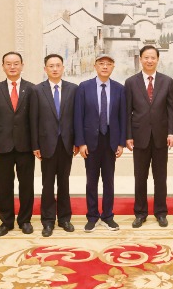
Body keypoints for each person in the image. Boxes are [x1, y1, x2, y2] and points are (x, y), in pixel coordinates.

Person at [125, 45, 173, 228]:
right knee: (140, 177)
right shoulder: (131, 82)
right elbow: (127, 111)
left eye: (152, 57)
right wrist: (128, 136)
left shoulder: (167, 81)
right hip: (139, 137)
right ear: (140, 59)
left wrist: (172, 132)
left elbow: (171, 110)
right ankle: (140, 213)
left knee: (160, 177)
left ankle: (161, 212)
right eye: (146, 57)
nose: (149, 60)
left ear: (157, 59)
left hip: (161, 137)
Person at [74, 54, 126, 233]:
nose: (105, 67)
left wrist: (121, 143)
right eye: (101, 63)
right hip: (90, 141)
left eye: (108, 64)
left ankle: (108, 216)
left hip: (111, 140)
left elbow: (122, 117)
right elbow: (78, 116)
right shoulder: (84, 87)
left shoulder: (119, 89)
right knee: (91, 180)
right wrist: (81, 143)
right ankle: (92, 216)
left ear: (113, 67)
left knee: (109, 181)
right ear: (95, 66)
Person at [0, 51, 35, 236]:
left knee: (26, 185)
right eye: (8, 63)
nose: (12, 67)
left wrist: (36, 145)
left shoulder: (32, 89)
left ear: (22, 65)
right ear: (3, 66)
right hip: (2, 145)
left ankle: (25, 220)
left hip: (25, 146)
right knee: (4, 185)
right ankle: (6, 221)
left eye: (16, 63)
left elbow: (35, 119)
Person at [29, 54, 78, 237]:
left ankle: (65, 218)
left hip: (66, 144)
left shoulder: (73, 89)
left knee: (64, 183)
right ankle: (48, 221)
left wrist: (77, 141)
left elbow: (77, 118)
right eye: (51, 66)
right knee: (47, 184)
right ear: (45, 69)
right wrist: (35, 144)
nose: (55, 69)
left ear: (63, 68)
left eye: (58, 65)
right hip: (46, 144)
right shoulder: (37, 90)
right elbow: (33, 120)